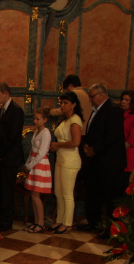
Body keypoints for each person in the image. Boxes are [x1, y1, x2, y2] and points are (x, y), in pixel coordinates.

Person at [81, 83, 126, 237]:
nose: (90, 100)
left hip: (109, 163)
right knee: (94, 194)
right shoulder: (96, 111)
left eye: (92, 96)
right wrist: (87, 146)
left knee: (110, 197)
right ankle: (94, 223)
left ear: (101, 94)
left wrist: (95, 148)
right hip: (96, 162)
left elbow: (113, 135)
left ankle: (111, 229)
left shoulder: (113, 110)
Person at [0, 82, 25, 231]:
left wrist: (2, 155)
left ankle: (6, 222)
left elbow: (13, 137)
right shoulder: (0, 111)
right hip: (1, 157)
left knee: (7, 191)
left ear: (6, 94)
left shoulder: (16, 111)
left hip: (10, 158)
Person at [50, 93, 84, 235]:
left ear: (74, 104)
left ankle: (67, 223)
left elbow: (76, 142)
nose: (63, 106)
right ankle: (60, 219)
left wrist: (58, 144)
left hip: (70, 160)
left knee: (67, 193)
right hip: (61, 159)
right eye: (61, 103)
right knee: (58, 192)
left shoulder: (75, 120)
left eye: (66, 103)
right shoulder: (65, 120)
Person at [24, 107, 52, 233]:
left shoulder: (46, 132)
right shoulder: (37, 132)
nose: (35, 121)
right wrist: (28, 163)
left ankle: (40, 223)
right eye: (34, 118)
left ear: (45, 120)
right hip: (34, 163)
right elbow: (33, 150)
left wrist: (31, 165)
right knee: (33, 194)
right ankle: (36, 221)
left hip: (40, 164)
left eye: (38, 119)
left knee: (36, 195)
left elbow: (41, 153)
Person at [120, 90, 134, 179]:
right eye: (122, 99)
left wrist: (117, 151)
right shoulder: (119, 114)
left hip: (127, 154)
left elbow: (131, 140)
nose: (123, 102)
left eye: (126, 100)